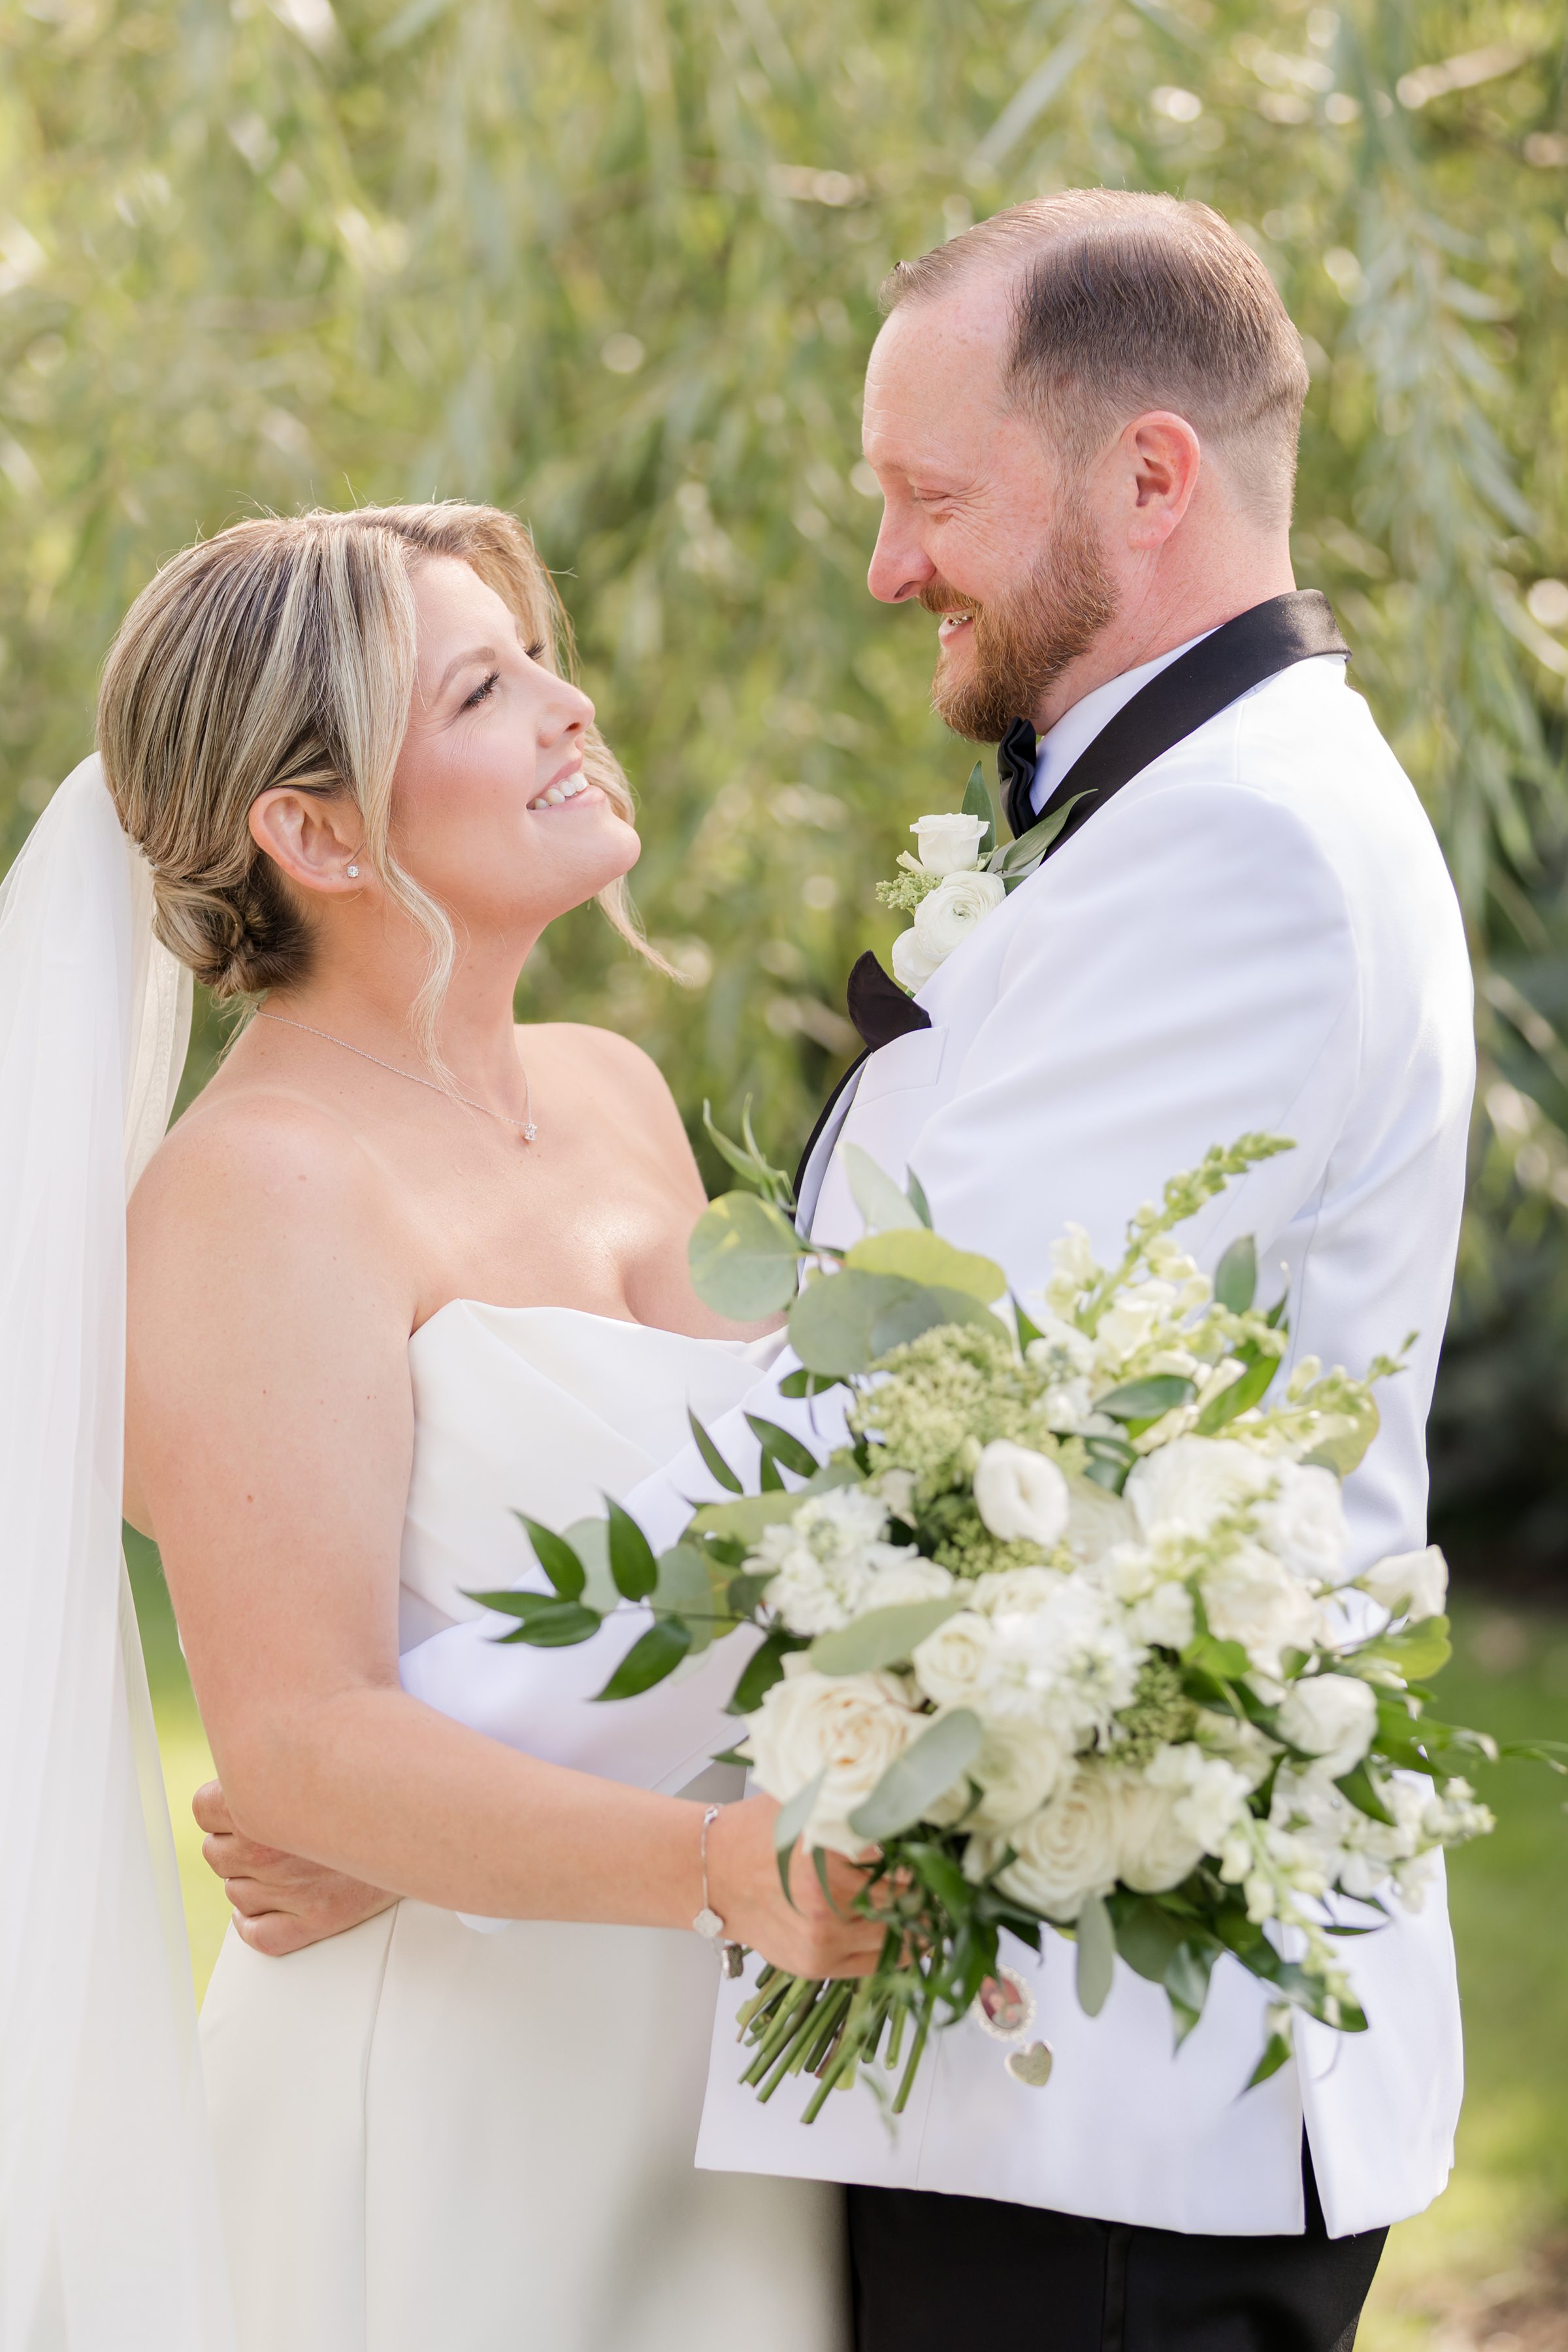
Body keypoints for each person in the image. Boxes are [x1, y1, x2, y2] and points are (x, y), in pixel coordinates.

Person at [239, 193, 1475, 2351]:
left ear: (1150, 478)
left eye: (928, 498)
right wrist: (434, 1802)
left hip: (1109, 2081)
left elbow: (929, 1461)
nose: (890, 564)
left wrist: (432, 1803)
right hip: (967, 2043)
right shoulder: (1162, 818)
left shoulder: (1243, 852)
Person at [9, 499, 875, 2351]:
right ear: (313, 832)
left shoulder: (616, 1088)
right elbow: (302, 1742)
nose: (570, 709)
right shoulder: (255, 1193)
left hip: (732, 2082)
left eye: (538, 659)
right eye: (487, 688)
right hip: (463, 2087)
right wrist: (732, 1877)